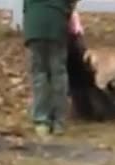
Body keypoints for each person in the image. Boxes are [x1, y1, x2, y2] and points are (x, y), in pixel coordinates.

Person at [23, 0, 80, 136]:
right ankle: (59, 121)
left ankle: (41, 120)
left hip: (35, 26)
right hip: (56, 25)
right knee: (58, 74)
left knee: (39, 73)